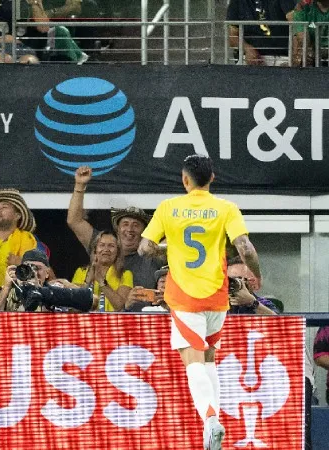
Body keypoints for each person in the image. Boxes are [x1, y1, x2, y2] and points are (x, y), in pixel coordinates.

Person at [139, 154, 262, 450]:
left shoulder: (168, 207)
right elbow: (245, 247)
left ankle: (210, 419)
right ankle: (213, 424)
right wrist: (257, 275)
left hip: (185, 297)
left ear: (184, 179)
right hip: (217, 297)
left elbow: (144, 248)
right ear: (212, 178)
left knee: (193, 361)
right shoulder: (226, 208)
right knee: (209, 360)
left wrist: (168, 248)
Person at [67, 165, 164, 288]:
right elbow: (74, 221)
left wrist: (154, 244)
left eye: (136, 225)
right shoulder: (103, 244)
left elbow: (176, 243)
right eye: (125, 224)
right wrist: (79, 186)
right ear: (117, 229)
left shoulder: (152, 255)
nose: (129, 229)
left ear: (144, 231)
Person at [0, 188, 38, 294]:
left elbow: (37, 272)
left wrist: (21, 264)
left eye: (4, 207)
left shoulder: (26, 238)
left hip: (12, 298)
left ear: (17, 215)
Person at [71, 230, 132, 311]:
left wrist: (101, 281)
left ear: (118, 252)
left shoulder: (125, 274)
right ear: (95, 250)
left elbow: (120, 307)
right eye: (102, 245)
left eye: (111, 246)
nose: (106, 249)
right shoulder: (81, 272)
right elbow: (74, 305)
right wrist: (88, 281)